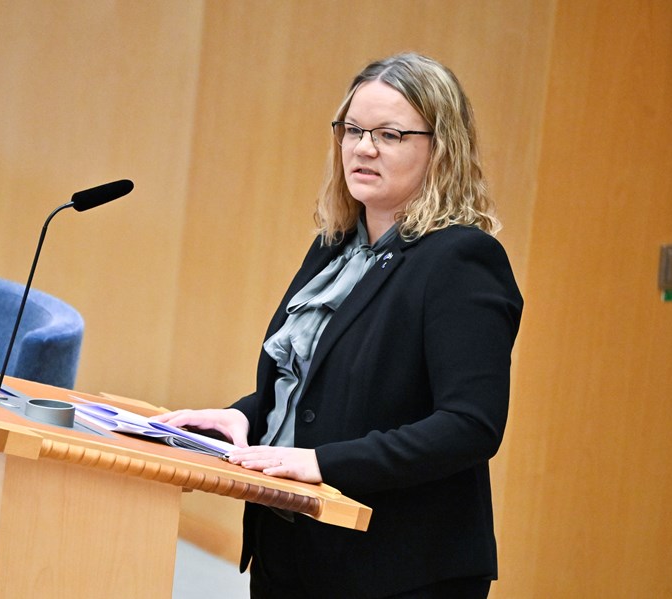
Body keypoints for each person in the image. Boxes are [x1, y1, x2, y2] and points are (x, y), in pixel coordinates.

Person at [156, 52, 523, 598]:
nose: (363, 147)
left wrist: (322, 462)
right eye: (353, 129)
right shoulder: (336, 247)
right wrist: (239, 417)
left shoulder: (461, 260)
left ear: (441, 149)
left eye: (390, 134)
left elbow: (470, 426)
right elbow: (313, 386)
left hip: (397, 568)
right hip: (293, 546)